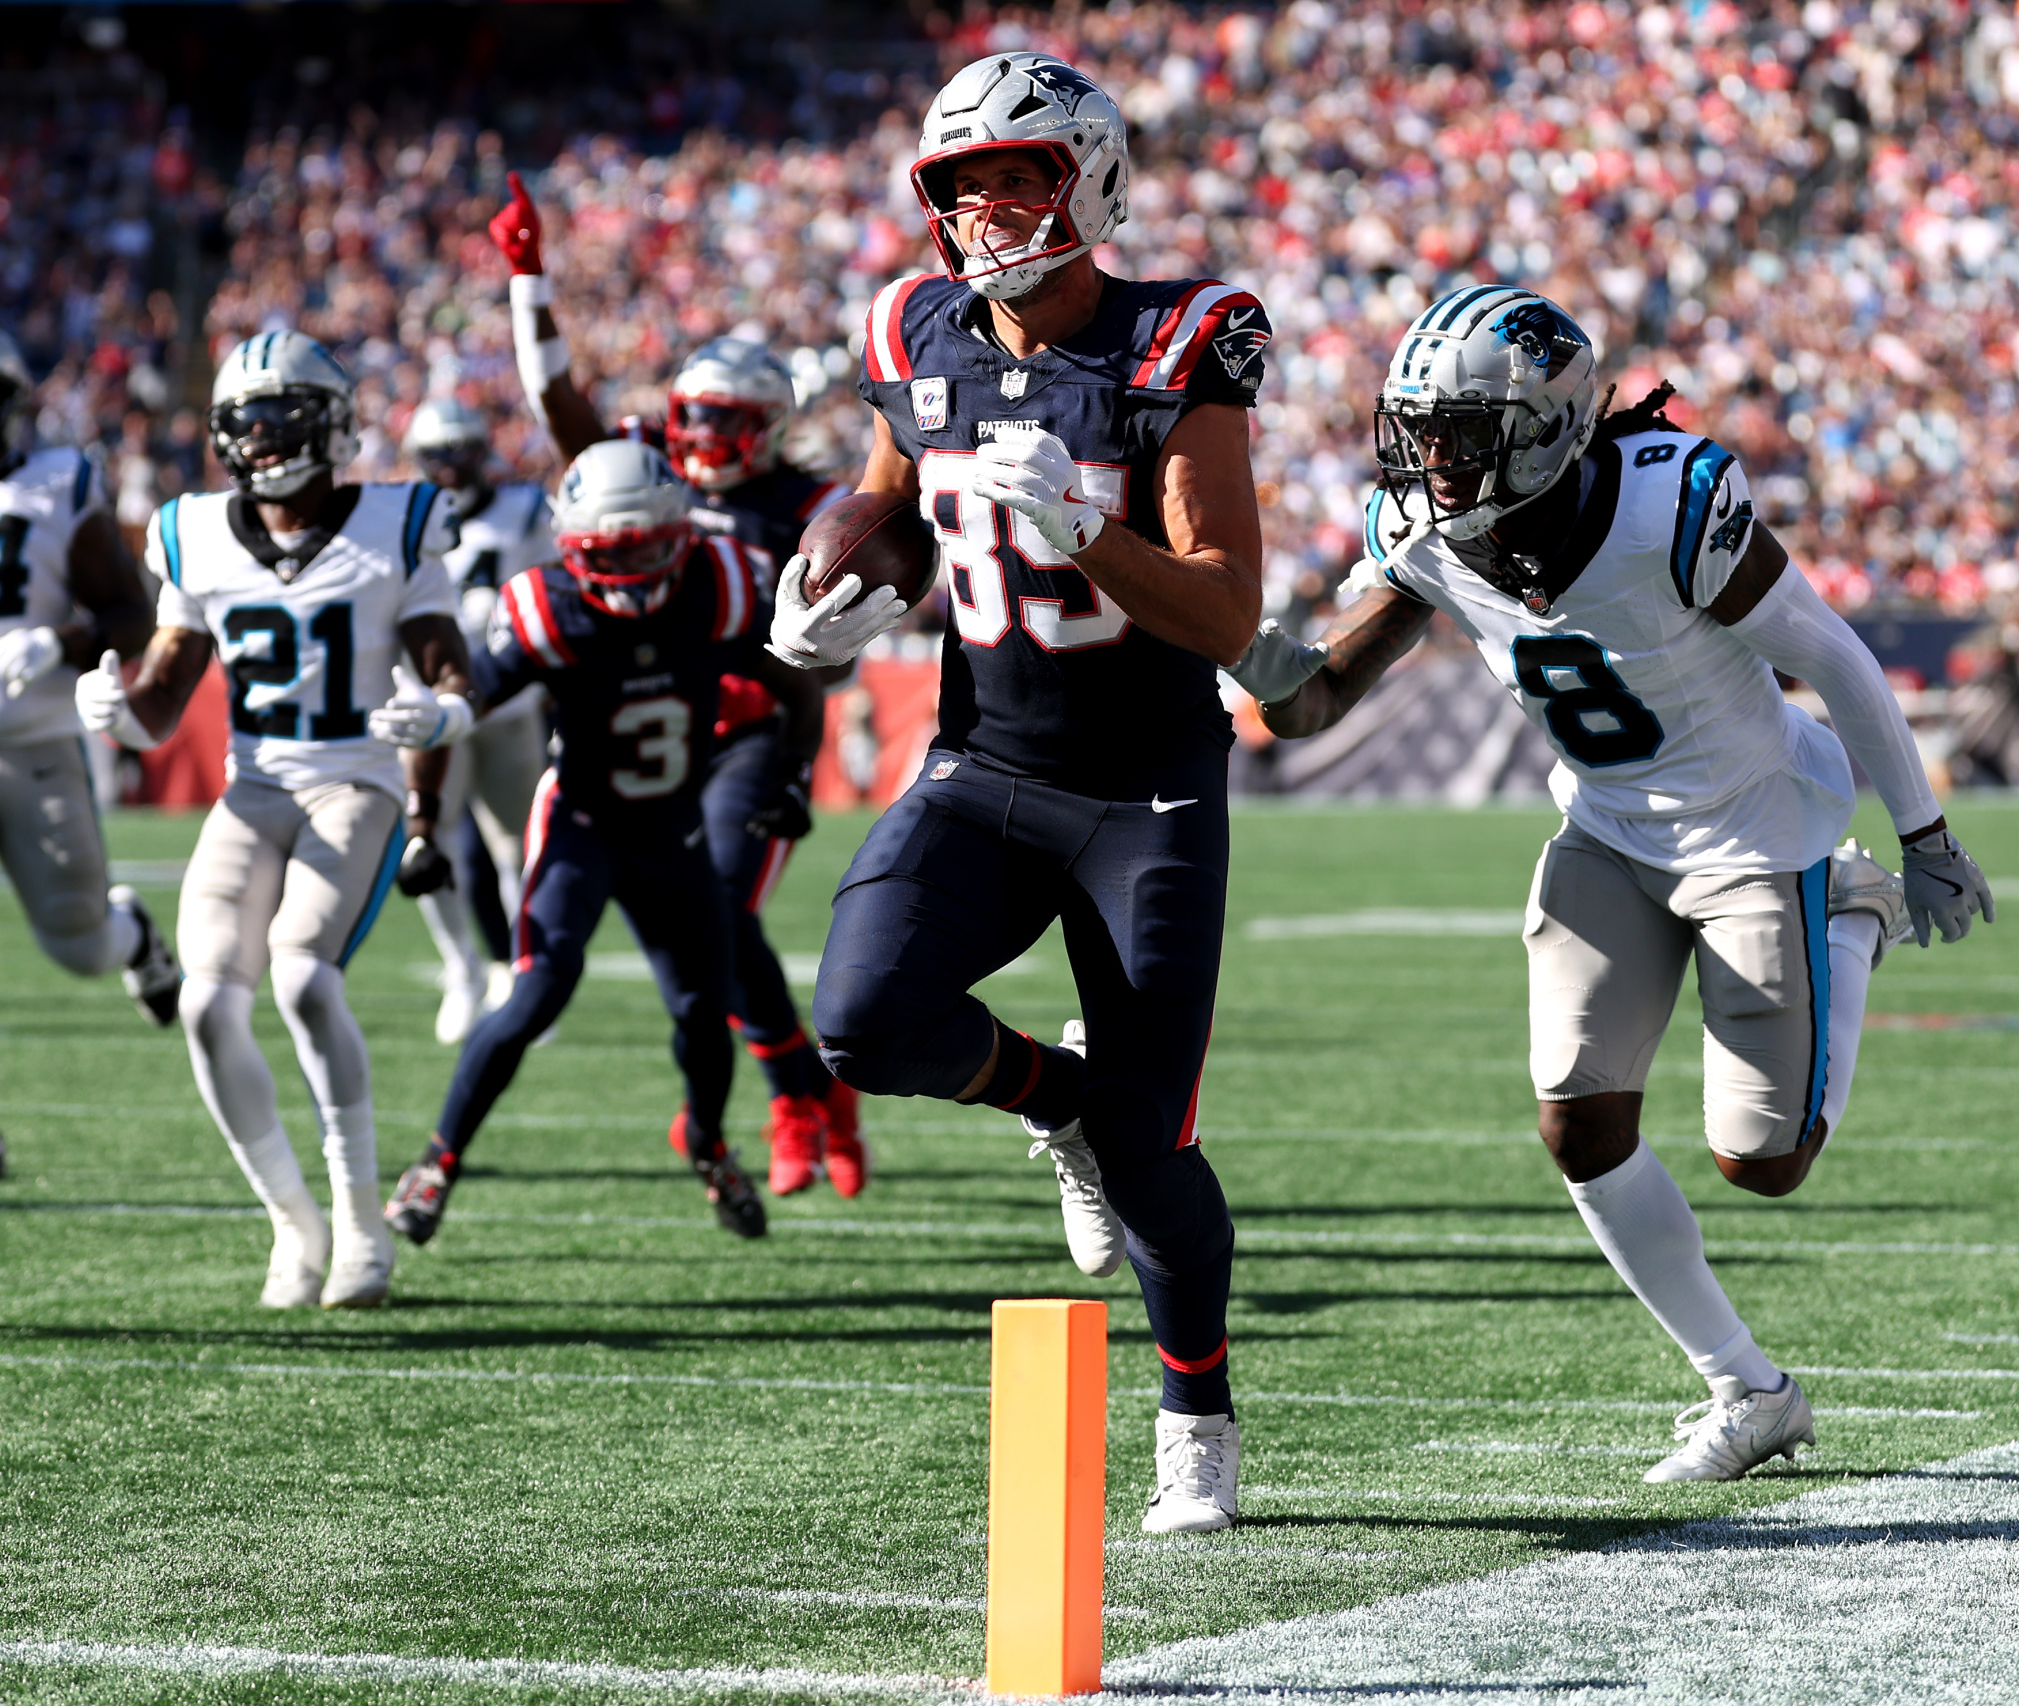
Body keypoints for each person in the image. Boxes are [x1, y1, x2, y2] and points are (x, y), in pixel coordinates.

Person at [1235, 287, 1996, 1483]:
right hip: (1604, 827)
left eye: (1460, 431)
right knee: (1578, 1122)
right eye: (1420, 430)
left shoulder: (1667, 503)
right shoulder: (1426, 527)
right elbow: (1314, 701)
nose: (1432, 459)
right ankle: (1746, 1387)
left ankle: (1850, 916)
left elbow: (1833, 654)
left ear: (1545, 426)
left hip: (1751, 828)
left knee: (1764, 1161)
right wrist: (1259, 662)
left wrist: (1925, 832)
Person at [773, 53, 1273, 1534]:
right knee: (863, 1017)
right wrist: (833, 597)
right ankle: (1055, 1099)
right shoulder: (910, 327)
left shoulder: (1178, 340)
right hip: (984, 765)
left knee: (1152, 1140)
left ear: (1090, 180)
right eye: (964, 185)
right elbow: (896, 506)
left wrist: (1083, 528)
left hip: (1145, 794)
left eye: (1017, 177)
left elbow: (1225, 613)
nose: (987, 211)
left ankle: (1195, 1414)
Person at [74, 330, 473, 1310]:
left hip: (358, 783)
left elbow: (447, 665)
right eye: (244, 422)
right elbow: (164, 698)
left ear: (329, 425)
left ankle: (360, 1222)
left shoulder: (398, 520)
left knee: (301, 975)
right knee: (207, 1004)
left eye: (280, 418)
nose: (259, 439)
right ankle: (294, 1222)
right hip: (254, 787)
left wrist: (444, 716)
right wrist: (118, 710)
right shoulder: (196, 531)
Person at [492, 177, 864, 1197]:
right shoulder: (641, 468)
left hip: (752, 727)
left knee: (724, 911)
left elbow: (831, 651)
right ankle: (807, 1091)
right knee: (713, 929)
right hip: (650, 730)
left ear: (770, 426)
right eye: (690, 415)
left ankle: (794, 1097)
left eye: (724, 420)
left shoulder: (813, 503)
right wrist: (528, 281)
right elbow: (559, 407)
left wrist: (803, 717)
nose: (699, 437)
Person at [382, 439, 825, 1246]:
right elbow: (459, 705)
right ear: (571, 545)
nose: (629, 570)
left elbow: (800, 688)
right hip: (581, 824)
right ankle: (436, 1163)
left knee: (704, 1011)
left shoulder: (721, 583)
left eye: (645, 548)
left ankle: (709, 1145)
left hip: (673, 831)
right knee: (536, 992)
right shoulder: (548, 607)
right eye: (608, 553)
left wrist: (792, 777)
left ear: (680, 532)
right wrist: (420, 818)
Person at [0, 320, 179, 1188]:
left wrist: (62, 641)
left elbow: (133, 615)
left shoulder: (59, 482)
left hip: (41, 745)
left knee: (79, 946)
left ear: (9, 403)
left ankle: (132, 937)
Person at [396, 395, 554, 1044]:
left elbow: (552, 591)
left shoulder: (525, 510)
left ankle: (525, 978)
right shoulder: (398, 516)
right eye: (436, 455)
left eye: (459, 451)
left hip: (506, 702)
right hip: (430, 704)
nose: (449, 466)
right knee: (427, 840)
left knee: (520, 848)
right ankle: (461, 968)